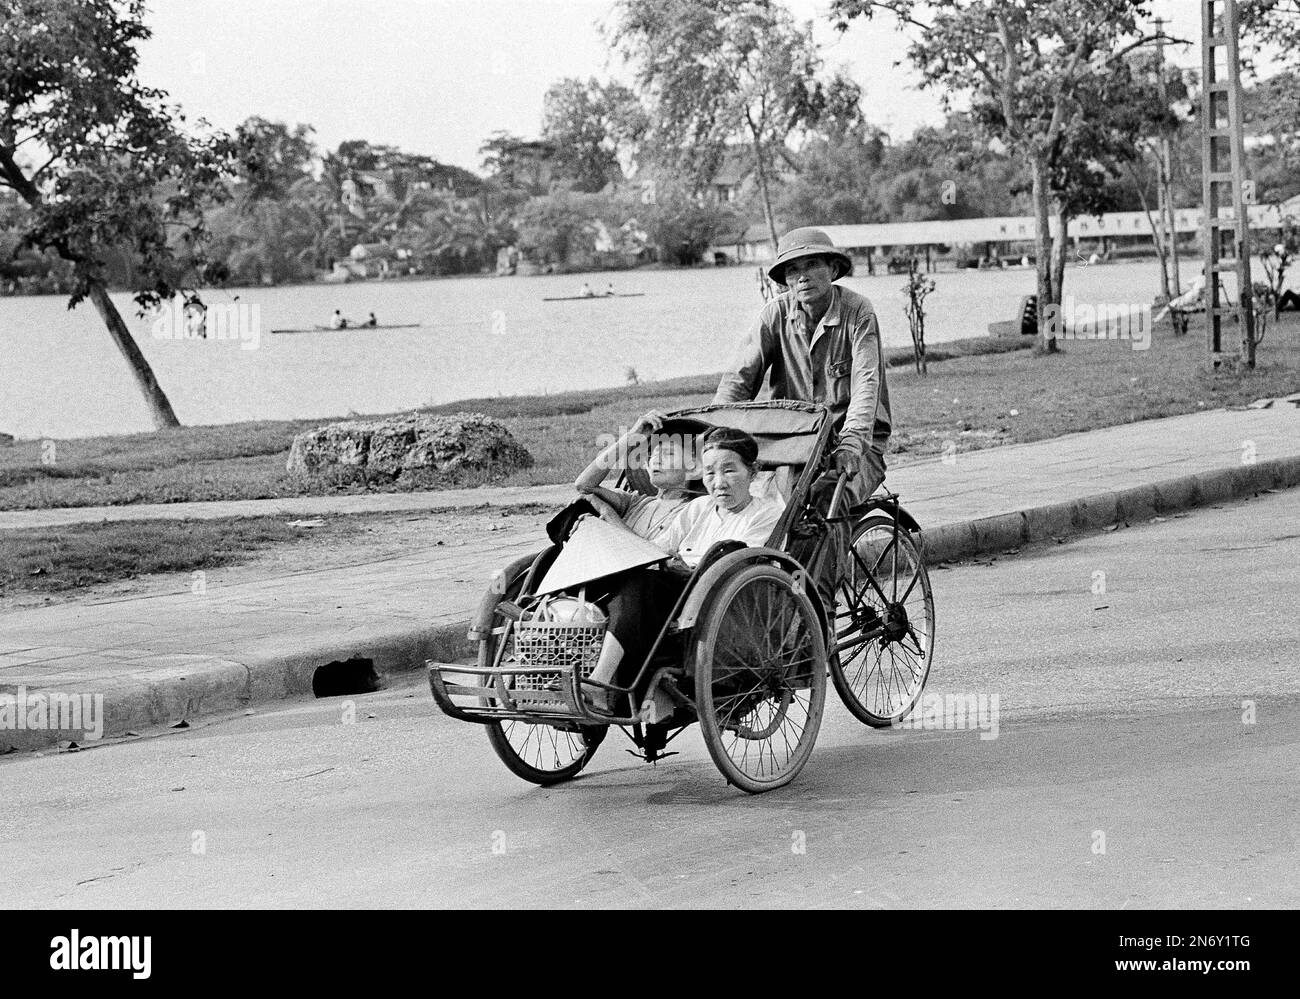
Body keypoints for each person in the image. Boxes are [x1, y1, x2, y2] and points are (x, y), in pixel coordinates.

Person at [713, 226, 892, 623]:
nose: (802, 277)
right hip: (793, 448)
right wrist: (714, 439)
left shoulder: (858, 312)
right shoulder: (774, 315)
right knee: (777, 517)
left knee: (828, 503)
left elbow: (866, 386)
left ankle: (820, 613)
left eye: (812, 265)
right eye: (792, 270)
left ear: (832, 268)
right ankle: (773, 606)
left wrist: (852, 444)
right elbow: (738, 381)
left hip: (855, 446)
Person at [587, 427, 783, 716]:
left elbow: (745, 563)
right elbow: (656, 550)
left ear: (752, 473)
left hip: (723, 593)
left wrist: (677, 566)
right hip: (679, 585)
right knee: (630, 582)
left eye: (730, 471)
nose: (719, 483)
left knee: (643, 585)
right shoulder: (699, 507)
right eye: (710, 474)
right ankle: (606, 686)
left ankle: (600, 682)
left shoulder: (764, 513)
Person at [574, 409, 700, 542]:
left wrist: (607, 513)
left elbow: (655, 557)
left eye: (669, 454)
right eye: (653, 455)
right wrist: (631, 436)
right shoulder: (636, 503)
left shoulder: (694, 510)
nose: (656, 460)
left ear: (693, 467)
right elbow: (584, 485)